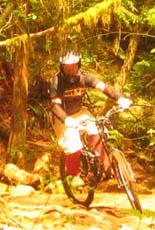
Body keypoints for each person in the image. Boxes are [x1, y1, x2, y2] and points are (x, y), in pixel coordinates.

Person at [47, 50, 132, 179]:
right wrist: (66, 119)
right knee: (73, 145)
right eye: (67, 67)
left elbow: (104, 87)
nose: (70, 70)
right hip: (61, 117)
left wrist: (120, 98)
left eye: (73, 66)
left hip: (80, 112)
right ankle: (72, 177)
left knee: (97, 132)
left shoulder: (85, 77)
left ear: (79, 65)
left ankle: (106, 167)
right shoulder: (56, 82)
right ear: (62, 67)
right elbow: (54, 105)